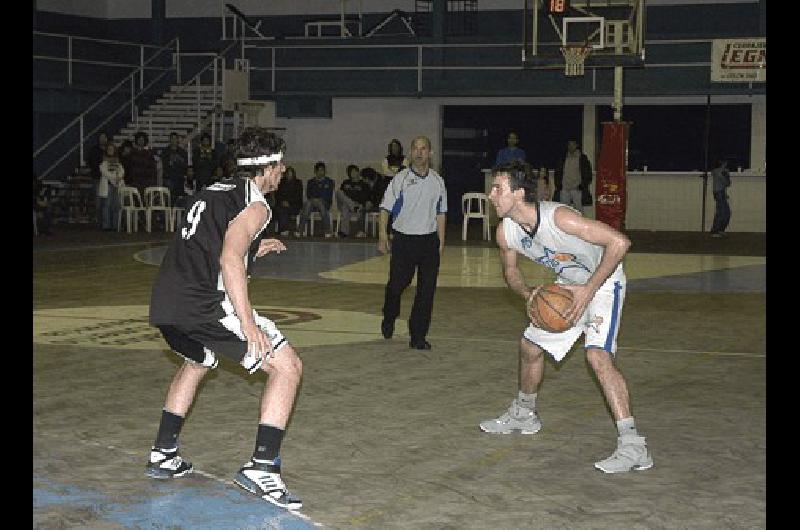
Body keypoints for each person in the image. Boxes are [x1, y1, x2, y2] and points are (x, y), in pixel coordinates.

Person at [146, 127, 304, 510]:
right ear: (265, 168)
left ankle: (164, 453)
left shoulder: (213, 191)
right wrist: (248, 324)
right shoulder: (255, 205)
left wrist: (252, 247)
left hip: (168, 303)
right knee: (287, 367)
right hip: (203, 305)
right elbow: (228, 259)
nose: (283, 170)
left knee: (197, 361)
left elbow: (208, 243)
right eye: (279, 164)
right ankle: (261, 467)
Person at [479, 161, 653, 474]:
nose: (491, 194)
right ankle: (524, 414)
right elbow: (511, 272)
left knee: (598, 357)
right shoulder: (506, 232)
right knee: (530, 347)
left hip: (604, 281)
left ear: (519, 193)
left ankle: (633, 445)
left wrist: (588, 290)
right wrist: (529, 295)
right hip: (568, 287)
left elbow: (619, 243)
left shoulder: (559, 218)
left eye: (498, 188)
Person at [378, 136, 447, 350]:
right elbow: (385, 208)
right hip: (403, 240)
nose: (419, 152)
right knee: (397, 285)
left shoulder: (438, 182)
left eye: (423, 148)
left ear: (430, 153)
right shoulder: (400, 179)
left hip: (428, 242)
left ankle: (417, 336)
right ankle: (389, 315)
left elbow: (441, 212)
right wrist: (382, 236)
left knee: (426, 292)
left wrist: (441, 241)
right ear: (410, 153)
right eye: (415, 148)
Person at [295, 161, 334, 238]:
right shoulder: (311, 182)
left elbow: (328, 195)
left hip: (325, 203)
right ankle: (300, 230)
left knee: (320, 204)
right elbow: (309, 194)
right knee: (308, 204)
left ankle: (327, 231)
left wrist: (319, 199)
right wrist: (315, 199)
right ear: (315, 172)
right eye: (319, 170)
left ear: (325, 171)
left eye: (322, 170)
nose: (321, 172)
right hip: (312, 203)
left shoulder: (330, 182)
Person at [553, 140, 593, 214]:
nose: (570, 147)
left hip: (577, 188)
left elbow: (588, 173)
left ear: (576, 145)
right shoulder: (563, 157)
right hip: (564, 188)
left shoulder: (582, 158)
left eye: (572, 145)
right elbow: (558, 171)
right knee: (563, 209)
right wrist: (558, 185)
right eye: (569, 145)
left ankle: (580, 224)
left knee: (578, 210)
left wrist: (582, 185)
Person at [335, 164, 371, 238]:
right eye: (351, 172)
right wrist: (352, 203)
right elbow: (342, 196)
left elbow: (365, 197)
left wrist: (356, 202)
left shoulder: (363, 184)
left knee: (346, 206)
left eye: (355, 171)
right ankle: (353, 206)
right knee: (338, 192)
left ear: (358, 172)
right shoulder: (345, 182)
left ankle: (344, 232)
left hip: (357, 205)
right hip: (348, 204)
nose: (353, 173)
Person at [98, 143, 125, 231]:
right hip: (108, 185)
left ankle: (115, 225)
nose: (110, 150)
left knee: (116, 206)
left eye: (112, 149)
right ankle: (106, 225)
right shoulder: (104, 162)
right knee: (106, 206)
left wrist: (119, 178)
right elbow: (104, 172)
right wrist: (115, 179)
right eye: (109, 149)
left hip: (117, 185)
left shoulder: (118, 162)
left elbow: (122, 171)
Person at [275, 166, 303, 236]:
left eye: (291, 174)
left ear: (294, 175)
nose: (289, 176)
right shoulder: (281, 182)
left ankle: (286, 228)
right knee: (281, 209)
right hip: (282, 203)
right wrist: (283, 201)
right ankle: (284, 229)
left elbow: (298, 196)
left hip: (294, 204)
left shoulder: (298, 183)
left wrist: (289, 202)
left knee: (285, 209)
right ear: (285, 174)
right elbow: (278, 195)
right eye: (288, 174)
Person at [709, 159, 732, 237]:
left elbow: (720, 184)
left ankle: (719, 230)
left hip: (719, 192)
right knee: (722, 212)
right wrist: (727, 175)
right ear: (723, 163)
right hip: (719, 193)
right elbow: (727, 183)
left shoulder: (716, 171)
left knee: (723, 212)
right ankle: (715, 231)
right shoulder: (722, 172)